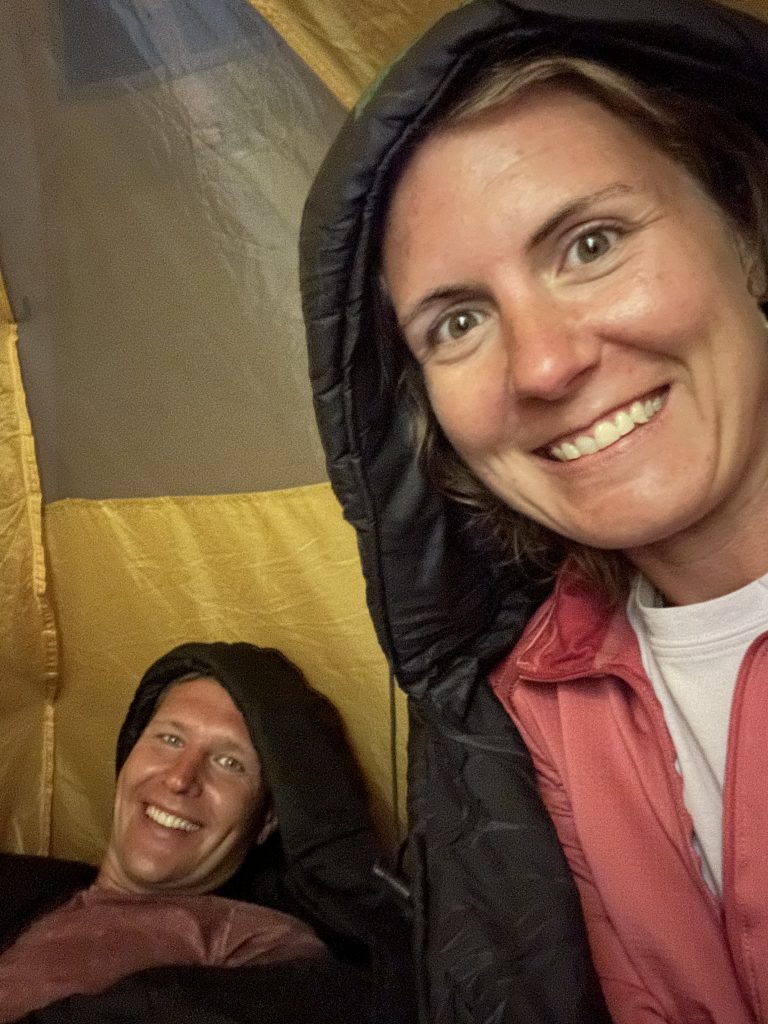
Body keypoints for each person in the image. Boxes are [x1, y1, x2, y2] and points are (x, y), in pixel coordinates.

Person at [300, 1, 768, 1022]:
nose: (545, 365)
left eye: (591, 244)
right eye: (460, 321)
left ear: (746, 231)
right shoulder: (529, 710)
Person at [0, 642, 414, 1024]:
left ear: (267, 820)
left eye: (229, 763)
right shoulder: (37, 887)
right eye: (169, 739)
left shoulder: (256, 942)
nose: (180, 778)